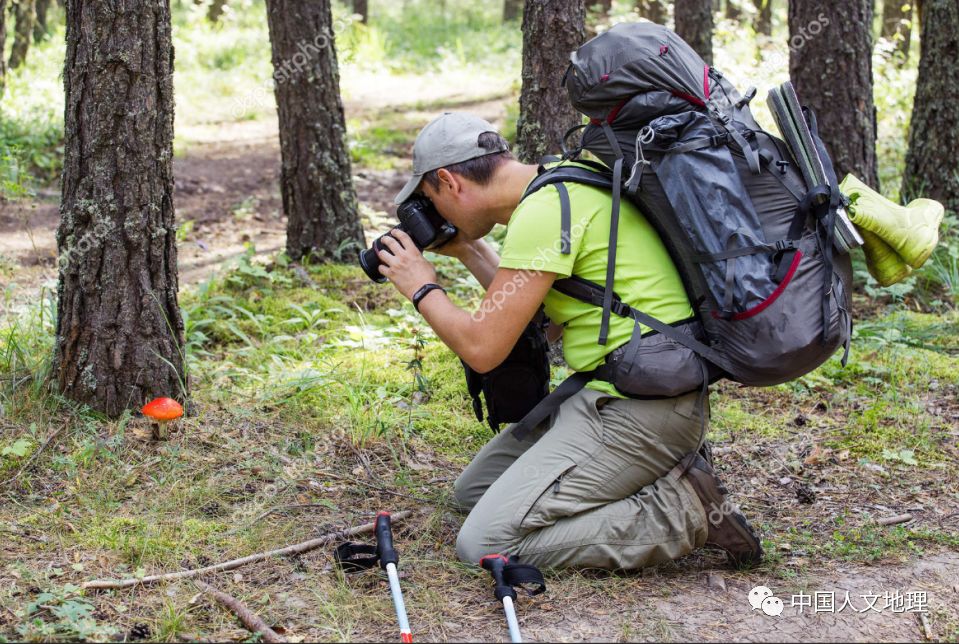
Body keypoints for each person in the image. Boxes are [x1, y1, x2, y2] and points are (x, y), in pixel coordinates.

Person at [375, 111, 762, 570]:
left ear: (448, 181)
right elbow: (541, 322)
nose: (432, 215)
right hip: (618, 394)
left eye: (428, 200)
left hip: (642, 411)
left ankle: (683, 513)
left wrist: (422, 287)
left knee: (482, 544)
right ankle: (644, 476)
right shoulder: (559, 186)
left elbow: (483, 349)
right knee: (471, 492)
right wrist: (469, 249)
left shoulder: (545, 211)